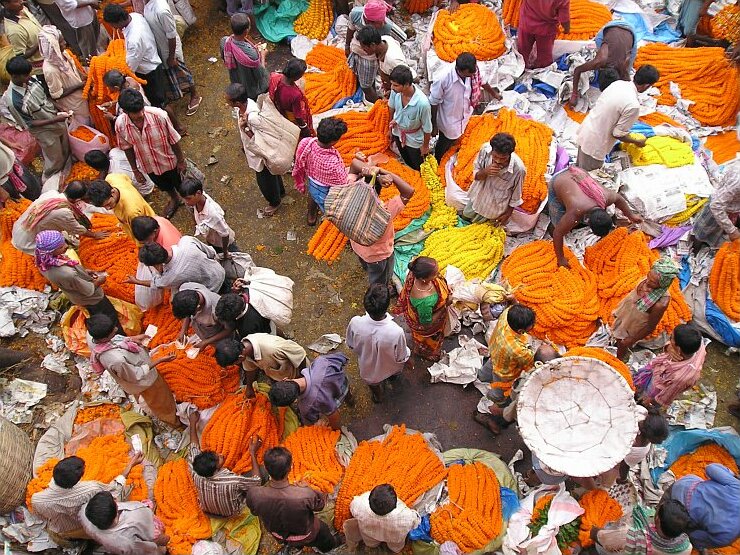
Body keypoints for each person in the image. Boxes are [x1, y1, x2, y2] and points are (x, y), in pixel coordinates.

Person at [87, 313, 180, 426]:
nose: (116, 329)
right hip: (144, 381)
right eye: (113, 330)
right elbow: (137, 374)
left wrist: (132, 339)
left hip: (131, 378)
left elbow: (115, 341)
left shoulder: (92, 335)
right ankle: (172, 420)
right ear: (104, 338)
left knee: (144, 396)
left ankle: (146, 402)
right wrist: (160, 361)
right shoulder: (117, 360)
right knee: (161, 401)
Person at [245, 447, 342, 552]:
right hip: (308, 535)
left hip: (279, 535)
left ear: (266, 469)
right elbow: (320, 505)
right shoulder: (304, 494)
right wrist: (308, 487)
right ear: (290, 468)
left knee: (294, 542)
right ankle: (331, 545)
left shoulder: (254, 494)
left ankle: (296, 547)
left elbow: (254, 512)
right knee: (324, 536)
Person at [31, 454, 143, 540]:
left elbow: (41, 516)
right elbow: (114, 490)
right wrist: (131, 464)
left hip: (62, 528)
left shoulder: (37, 499)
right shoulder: (90, 488)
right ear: (77, 480)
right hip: (88, 526)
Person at [550, 166, 642, 267]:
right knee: (558, 223)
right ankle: (552, 222)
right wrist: (561, 259)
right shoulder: (574, 213)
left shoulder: (606, 197)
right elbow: (557, 234)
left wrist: (631, 216)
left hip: (578, 172)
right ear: (588, 221)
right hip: (559, 179)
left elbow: (619, 199)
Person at [115, 88, 186, 219]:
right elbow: (127, 147)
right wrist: (135, 170)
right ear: (125, 112)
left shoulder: (159, 116)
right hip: (148, 166)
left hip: (169, 161)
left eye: (141, 109)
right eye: (135, 113)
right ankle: (175, 199)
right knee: (164, 185)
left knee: (180, 183)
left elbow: (173, 139)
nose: (140, 114)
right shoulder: (120, 124)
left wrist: (181, 160)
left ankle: (189, 201)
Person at [34, 230, 124, 333]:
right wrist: (100, 281)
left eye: (63, 242)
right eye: (60, 247)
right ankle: (117, 336)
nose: (65, 246)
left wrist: (83, 272)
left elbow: (71, 272)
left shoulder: (42, 261)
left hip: (76, 296)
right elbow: (88, 290)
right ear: (50, 251)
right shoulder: (67, 274)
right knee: (108, 317)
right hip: (92, 299)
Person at [575, 65, 659, 171]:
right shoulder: (633, 105)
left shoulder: (617, 84)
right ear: (646, 86)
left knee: (579, 170)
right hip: (596, 144)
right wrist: (637, 141)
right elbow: (618, 134)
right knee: (587, 180)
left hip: (586, 130)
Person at [3, 56, 71, 182]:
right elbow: (30, 123)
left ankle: (66, 167)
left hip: (56, 119)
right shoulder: (14, 100)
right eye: (25, 75)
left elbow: (45, 97)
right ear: (15, 76)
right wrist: (55, 120)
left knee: (65, 146)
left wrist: (59, 108)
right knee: (54, 156)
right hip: (44, 130)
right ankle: (50, 178)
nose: (29, 77)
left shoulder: (31, 80)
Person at [187, 412, 263, 517]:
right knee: (262, 470)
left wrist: (192, 423)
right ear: (216, 469)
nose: (221, 455)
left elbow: (193, 445)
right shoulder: (232, 480)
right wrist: (252, 453)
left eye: (217, 454)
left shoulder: (194, 468)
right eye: (219, 459)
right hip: (230, 513)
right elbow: (257, 482)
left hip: (206, 510)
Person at [350, 164, 414, 286]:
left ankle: (368, 270)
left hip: (358, 247)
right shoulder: (384, 212)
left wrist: (368, 173)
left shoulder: (349, 196)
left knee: (366, 264)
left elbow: (353, 165)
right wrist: (382, 171)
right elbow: (408, 191)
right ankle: (378, 288)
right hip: (378, 255)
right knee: (380, 277)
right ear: (378, 191)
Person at [227, 83, 285, 217]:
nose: (227, 102)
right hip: (252, 150)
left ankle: (274, 201)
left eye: (228, 100)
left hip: (259, 153)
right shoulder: (245, 106)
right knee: (271, 173)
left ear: (236, 102)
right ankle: (280, 192)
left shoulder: (252, 116)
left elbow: (261, 138)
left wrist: (245, 129)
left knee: (264, 180)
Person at [346, 284, 410, 403]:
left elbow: (350, 344)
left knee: (373, 383)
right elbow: (401, 355)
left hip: (368, 369)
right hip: (391, 366)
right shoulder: (396, 332)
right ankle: (392, 378)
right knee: (393, 374)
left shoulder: (355, 322)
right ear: (387, 306)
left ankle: (378, 396)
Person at [429, 52, 499, 161]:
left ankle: (450, 148)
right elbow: (433, 102)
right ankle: (438, 158)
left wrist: (494, 94)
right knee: (445, 141)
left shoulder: (474, 70)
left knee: (456, 136)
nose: (471, 77)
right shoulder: (443, 78)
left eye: (471, 75)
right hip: (449, 119)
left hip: (465, 112)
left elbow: (482, 81)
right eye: (467, 75)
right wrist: (433, 125)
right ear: (458, 70)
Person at [612, 257, 681, 359]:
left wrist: (632, 339)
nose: (647, 282)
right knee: (617, 328)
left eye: (653, 282)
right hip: (627, 311)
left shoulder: (660, 303)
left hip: (634, 323)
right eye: (648, 276)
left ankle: (618, 359)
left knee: (623, 343)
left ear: (662, 284)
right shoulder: (648, 280)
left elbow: (650, 326)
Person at [103, 5, 167, 113]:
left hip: (149, 72)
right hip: (152, 59)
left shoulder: (134, 40)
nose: (112, 27)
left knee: (159, 103)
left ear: (117, 21)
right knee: (159, 97)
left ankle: (175, 125)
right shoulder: (135, 16)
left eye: (112, 24)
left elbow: (130, 66)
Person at [142, 0, 201, 114]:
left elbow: (171, 35)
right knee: (172, 74)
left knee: (182, 72)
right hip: (161, 47)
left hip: (170, 48)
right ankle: (181, 90)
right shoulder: (148, 5)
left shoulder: (161, 10)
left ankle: (195, 95)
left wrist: (171, 56)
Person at [268, 353, 352, 429]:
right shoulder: (320, 362)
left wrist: (336, 430)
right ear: (285, 379)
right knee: (347, 394)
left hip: (335, 398)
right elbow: (341, 357)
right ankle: (351, 401)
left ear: (294, 400)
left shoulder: (307, 406)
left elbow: (333, 414)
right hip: (343, 382)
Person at [667, 463, 740, 549]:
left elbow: (710, 468)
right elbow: (694, 537)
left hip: (679, 487)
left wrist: (733, 476)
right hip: (678, 519)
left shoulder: (737, 486)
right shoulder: (728, 536)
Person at [345, 0, 407, 101]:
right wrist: (347, 46)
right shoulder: (355, 14)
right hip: (364, 51)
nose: (384, 23)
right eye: (380, 22)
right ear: (369, 22)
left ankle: (377, 104)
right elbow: (350, 29)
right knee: (366, 80)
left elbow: (402, 38)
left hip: (372, 55)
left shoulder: (387, 28)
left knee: (366, 86)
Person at [293, 117, 350, 226]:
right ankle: (328, 219)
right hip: (326, 188)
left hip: (312, 179)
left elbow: (300, 159)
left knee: (313, 195)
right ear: (333, 141)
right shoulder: (333, 163)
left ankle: (311, 215)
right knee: (327, 205)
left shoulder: (306, 143)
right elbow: (343, 183)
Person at [11, 187, 102, 255]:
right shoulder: (64, 212)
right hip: (27, 241)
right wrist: (94, 235)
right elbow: (77, 229)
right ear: (78, 200)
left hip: (19, 228)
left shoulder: (51, 193)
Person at [633, 324, 706, 407]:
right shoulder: (697, 343)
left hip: (657, 388)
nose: (669, 339)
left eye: (671, 338)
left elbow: (667, 396)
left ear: (678, 349)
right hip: (658, 370)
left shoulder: (681, 377)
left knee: (645, 397)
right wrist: (669, 347)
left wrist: (651, 399)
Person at [215, 334, 308, 398]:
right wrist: (249, 387)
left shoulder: (274, 348)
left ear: (240, 357)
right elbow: (249, 368)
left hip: (297, 372)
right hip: (280, 376)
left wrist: (301, 378)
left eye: (235, 363)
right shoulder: (244, 350)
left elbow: (300, 354)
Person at [395, 256, 450, 361]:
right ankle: (426, 353)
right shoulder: (425, 300)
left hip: (420, 313)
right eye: (434, 274)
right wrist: (445, 307)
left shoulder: (414, 273)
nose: (438, 275)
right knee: (428, 342)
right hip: (427, 325)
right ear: (424, 279)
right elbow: (426, 322)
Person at [464, 132, 525, 225]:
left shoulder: (518, 169)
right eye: (495, 156)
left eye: (503, 158)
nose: (498, 161)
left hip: (493, 207)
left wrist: (507, 214)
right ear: (492, 150)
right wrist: (485, 172)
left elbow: (516, 196)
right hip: (477, 197)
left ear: (510, 154)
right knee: (465, 216)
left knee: (479, 229)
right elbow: (476, 176)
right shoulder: (485, 150)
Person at [126, 237, 226, 294]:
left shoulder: (170, 278)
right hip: (219, 270)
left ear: (156, 264)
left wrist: (136, 281)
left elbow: (156, 284)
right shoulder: (187, 241)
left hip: (213, 288)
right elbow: (211, 252)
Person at [590, 500, 692, 555]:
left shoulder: (631, 536)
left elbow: (601, 538)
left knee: (605, 536)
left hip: (623, 545)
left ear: (657, 519)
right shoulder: (686, 547)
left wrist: (592, 529)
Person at [80, 491, 168, 555]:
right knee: (162, 550)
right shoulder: (137, 516)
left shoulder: (84, 513)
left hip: (111, 545)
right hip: (144, 543)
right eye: (114, 501)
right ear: (116, 509)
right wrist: (159, 542)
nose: (115, 499)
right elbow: (146, 548)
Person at [570, 20, 638, 100]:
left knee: (629, 67)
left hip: (631, 32)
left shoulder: (624, 67)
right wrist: (574, 94)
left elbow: (628, 84)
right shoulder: (598, 61)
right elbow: (577, 70)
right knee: (601, 47)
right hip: (611, 26)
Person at [345, 484, 421, 553]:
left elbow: (352, 507)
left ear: (369, 500)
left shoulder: (359, 504)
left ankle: (372, 545)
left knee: (370, 542)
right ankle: (394, 550)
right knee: (396, 546)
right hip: (394, 538)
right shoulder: (406, 517)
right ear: (395, 505)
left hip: (369, 534)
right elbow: (415, 523)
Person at [38, 26, 90, 124]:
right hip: (74, 106)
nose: (65, 43)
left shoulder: (64, 53)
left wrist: (83, 75)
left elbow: (74, 69)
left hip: (83, 99)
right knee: (85, 128)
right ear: (53, 46)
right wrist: (79, 85)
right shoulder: (50, 70)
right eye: (61, 42)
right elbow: (57, 95)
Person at [387, 64, 432, 170]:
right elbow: (391, 107)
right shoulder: (396, 92)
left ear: (407, 84)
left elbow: (427, 128)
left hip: (414, 140)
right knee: (405, 158)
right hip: (398, 132)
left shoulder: (422, 103)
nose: (392, 88)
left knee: (417, 164)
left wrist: (425, 147)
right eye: (392, 84)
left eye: (396, 85)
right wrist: (389, 129)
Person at [178, 178, 237, 255]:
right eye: (184, 198)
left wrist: (225, 252)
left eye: (188, 198)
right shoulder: (196, 202)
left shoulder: (213, 214)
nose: (186, 202)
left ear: (198, 193)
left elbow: (225, 234)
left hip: (224, 244)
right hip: (212, 239)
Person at [86, 177, 156, 241]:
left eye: (108, 204)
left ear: (112, 192)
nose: (108, 209)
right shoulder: (113, 178)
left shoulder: (130, 212)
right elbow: (126, 178)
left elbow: (141, 234)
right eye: (103, 207)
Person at [220, 13, 268, 101]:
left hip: (235, 79)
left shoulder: (224, 41)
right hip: (251, 88)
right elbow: (261, 75)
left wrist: (253, 48)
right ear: (246, 31)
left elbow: (224, 58)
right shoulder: (252, 54)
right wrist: (262, 56)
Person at [693, 162, 740, 248]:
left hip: (732, 207)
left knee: (718, 235)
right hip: (717, 209)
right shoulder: (737, 181)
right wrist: (732, 231)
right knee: (701, 234)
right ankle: (694, 250)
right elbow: (716, 206)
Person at [172, 283, 229, 347]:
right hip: (204, 333)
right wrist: (184, 330)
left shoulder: (219, 309)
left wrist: (206, 342)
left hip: (218, 338)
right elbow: (187, 311)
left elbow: (229, 329)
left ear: (198, 307)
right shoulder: (187, 289)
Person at [268, 58, 313, 139]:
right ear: (296, 76)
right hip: (289, 117)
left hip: (279, 109)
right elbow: (298, 117)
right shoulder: (295, 94)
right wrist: (305, 128)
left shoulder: (274, 77)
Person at [517, 0, 570, 69]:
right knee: (544, 57)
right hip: (546, 29)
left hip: (526, 23)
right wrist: (566, 29)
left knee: (523, 50)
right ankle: (541, 72)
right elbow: (564, 19)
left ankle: (521, 69)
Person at [84, 148, 156, 197]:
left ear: (95, 168)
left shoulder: (113, 178)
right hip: (151, 177)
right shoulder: (114, 152)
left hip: (144, 189)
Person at [1, 0, 43, 75]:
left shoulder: (23, 9)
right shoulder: (14, 30)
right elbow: (20, 56)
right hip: (42, 70)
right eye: (16, 1)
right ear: (6, 4)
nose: (22, 1)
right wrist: (39, 43)